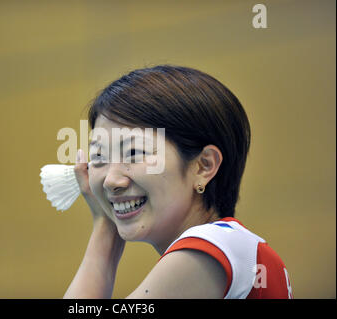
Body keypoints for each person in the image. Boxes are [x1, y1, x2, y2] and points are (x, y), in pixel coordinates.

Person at [63, 65, 293, 299]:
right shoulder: (233, 248)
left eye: (134, 153)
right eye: (98, 158)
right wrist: (106, 219)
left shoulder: (213, 247)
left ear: (203, 166)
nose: (111, 181)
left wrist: (104, 230)